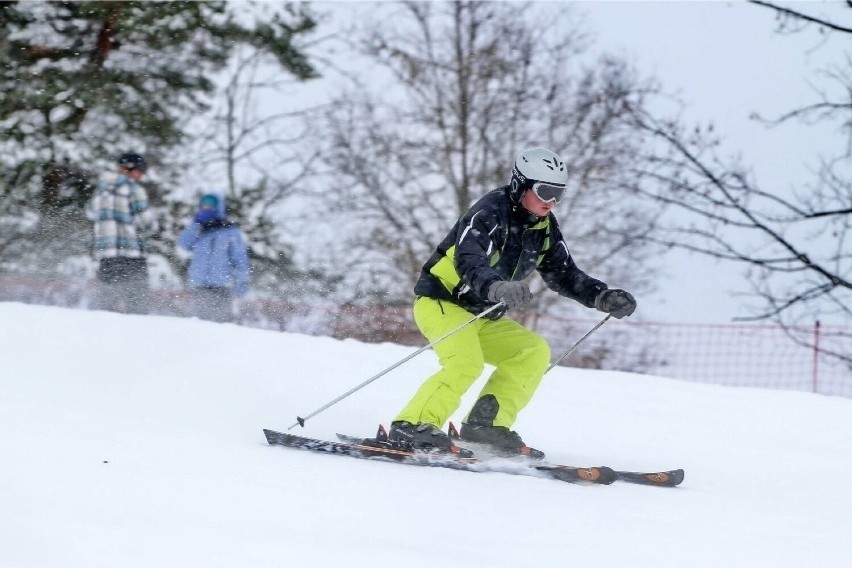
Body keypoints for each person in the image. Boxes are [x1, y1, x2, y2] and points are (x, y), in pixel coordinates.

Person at [389, 147, 637, 457]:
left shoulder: (543, 228)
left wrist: (601, 296)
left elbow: (563, 273)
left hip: (482, 315)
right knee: (465, 363)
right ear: (521, 184)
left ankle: (485, 425)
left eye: (558, 193)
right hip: (443, 302)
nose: (551, 201)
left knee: (532, 351)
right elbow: (469, 259)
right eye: (545, 191)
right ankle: (411, 425)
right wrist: (496, 287)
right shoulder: (490, 211)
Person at [85, 152, 156, 314]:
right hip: (131, 256)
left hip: (107, 257)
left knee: (107, 306)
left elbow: (89, 212)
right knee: (137, 306)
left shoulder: (101, 191)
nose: (141, 175)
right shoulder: (134, 190)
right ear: (132, 170)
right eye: (140, 171)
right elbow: (147, 223)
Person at [178, 193, 251, 323]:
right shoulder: (200, 230)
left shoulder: (229, 231)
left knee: (219, 324)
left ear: (219, 208)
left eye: (211, 205)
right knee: (200, 324)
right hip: (199, 285)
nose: (207, 208)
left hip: (221, 286)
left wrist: (242, 280)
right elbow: (184, 244)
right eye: (204, 205)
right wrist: (195, 223)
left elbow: (240, 259)